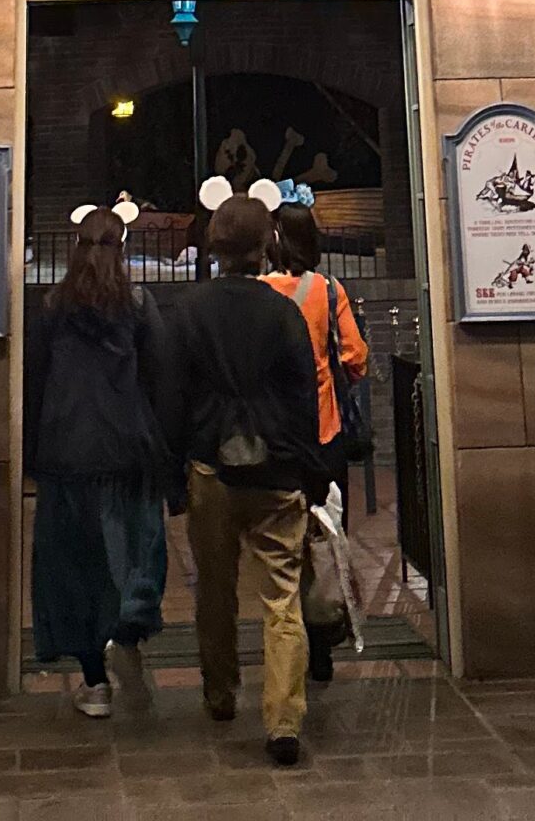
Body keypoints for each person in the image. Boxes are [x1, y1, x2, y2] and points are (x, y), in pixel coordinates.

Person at [167, 189, 328, 767]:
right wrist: (310, 471)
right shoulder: (282, 312)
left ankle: (219, 691)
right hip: (278, 470)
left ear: (214, 246)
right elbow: (303, 396)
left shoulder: (188, 311)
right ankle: (284, 719)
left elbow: (174, 396)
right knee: (282, 597)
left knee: (214, 588)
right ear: (265, 247)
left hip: (211, 469)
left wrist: (174, 469)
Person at [24, 204, 171, 717]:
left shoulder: (50, 308)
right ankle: (126, 632)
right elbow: (159, 380)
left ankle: (94, 682)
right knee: (132, 552)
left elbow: (35, 385)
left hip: (64, 453)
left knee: (73, 568)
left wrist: (31, 456)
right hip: (125, 452)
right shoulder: (137, 305)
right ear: (122, 250)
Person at [261, 199, 370, 682]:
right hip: (324, 432)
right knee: (324, 537)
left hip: (274, 436)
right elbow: (357, 357)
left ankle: (285, 642)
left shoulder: (260, 292)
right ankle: (323, 643)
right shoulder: (328, 291)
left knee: (280, 544)